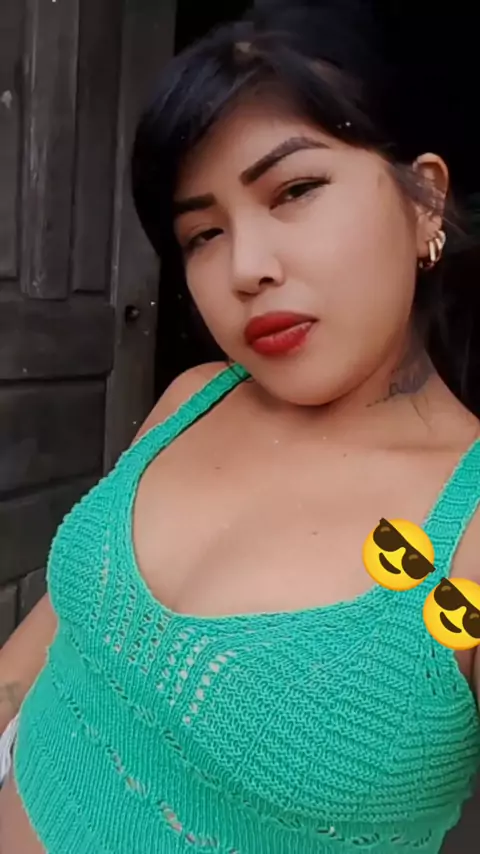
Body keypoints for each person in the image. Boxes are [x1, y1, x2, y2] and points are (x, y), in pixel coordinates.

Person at [1, 1, 480, 851]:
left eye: (295, 190)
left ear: (425, 202)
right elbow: (59, 639)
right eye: (203, 233)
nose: (246, 268)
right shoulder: (192, 399)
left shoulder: (468, 535)